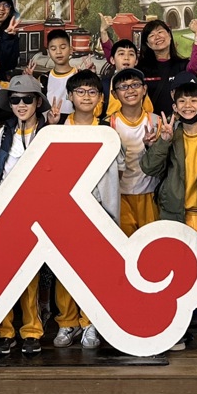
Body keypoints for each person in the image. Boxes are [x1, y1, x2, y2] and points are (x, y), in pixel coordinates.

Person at [141, 80, 197, 356]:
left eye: (193, 100)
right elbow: (149, 168)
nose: (188, 106)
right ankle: (176, 331)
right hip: (174, 216)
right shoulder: (169, 134)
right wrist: (162, 143)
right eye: (182, 101)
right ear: (175, 107)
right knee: (176, 278)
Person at [52, 69, 120, 351]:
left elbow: (118, 169)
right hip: (65, 209)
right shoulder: (57, 128)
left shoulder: (107, 130)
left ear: (101, 97)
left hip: (98, 209)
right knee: (64, 268)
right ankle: (67, 322)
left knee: (94, 269)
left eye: (92, 92)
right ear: (70, 96)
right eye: (80, 92)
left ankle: (91, 321)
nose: (86, 97)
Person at [0, 74, 49, 358]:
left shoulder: (49, 131)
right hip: (6, 207)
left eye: (27, 99)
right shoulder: (6, 131)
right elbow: (0, 165)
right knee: (2, 273)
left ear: (38, 102)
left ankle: (32, 331)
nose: (21, 105)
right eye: (15, 99)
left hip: (36, 209)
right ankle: (5, 332)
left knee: (30, 274)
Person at [109, 67, 160, 236]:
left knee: (150, 243)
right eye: (123, 87)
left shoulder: (157, 122)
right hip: (119, 196)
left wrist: (153, 147)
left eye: (135, 85)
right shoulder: (108, 125)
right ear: (115, 94)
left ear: (144, 89)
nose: (130, 90)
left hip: (149, 195)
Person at [136, 17, 197, 115]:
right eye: (151, 35)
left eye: (160, 32)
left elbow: (195, 65)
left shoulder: (182, 66)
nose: (157, 37)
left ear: (169, 35)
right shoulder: (140, 69)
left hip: (179, 122)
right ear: (148, 44)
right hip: (151, 122)